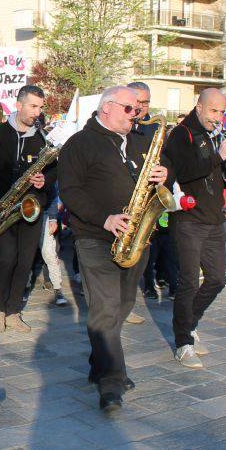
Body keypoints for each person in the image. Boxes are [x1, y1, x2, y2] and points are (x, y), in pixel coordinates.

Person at [58, 85, 169, 411]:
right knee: (104, 310)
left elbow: (157, 179)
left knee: (122, 306)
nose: (137, 115)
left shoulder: (139, 141)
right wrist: (103, 219)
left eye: (138, 110)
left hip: (136, 238)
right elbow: (70, 191)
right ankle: (111, 382)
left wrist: (164, 175)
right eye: (129, 109)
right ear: (107, 108)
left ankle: (101, 363)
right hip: (95, 237)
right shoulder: (79, 144)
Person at [163, 88, 226, 370]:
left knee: (218, 279)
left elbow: (219, 178)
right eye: (213, 111)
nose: (217, 117)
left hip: (213, 219)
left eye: (221, 112)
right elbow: (187, 172)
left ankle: (189, 322)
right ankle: (183, 342)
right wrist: (219, 155)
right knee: (189, 282)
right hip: (189, 219)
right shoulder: (181, 134)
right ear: (199, 107)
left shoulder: (214, 135)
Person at [0, 85, 52, 335]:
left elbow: (52, 173)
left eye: (40, 107)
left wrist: (46, 181)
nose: (37, 112)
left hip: (30, 209)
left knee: (24, 262)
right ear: (19, 104)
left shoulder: (41, 138)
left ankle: (13, 312)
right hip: (0, 208)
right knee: (7, 259)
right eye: (33, 106)